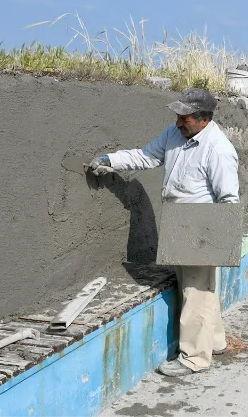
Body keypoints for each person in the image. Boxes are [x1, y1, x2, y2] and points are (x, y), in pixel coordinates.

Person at [86, 88, 238, 377]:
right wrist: (112, 160)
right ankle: (215, 342)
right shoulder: (174, 134)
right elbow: (146, 156)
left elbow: (229, 199)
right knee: (199, 288)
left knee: (196, 291)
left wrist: (217, 245)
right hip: (179, 221)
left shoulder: (218, 149)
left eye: (185, 118)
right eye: (178, 116)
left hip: (201, 225)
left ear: (203, 119)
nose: (179, 122)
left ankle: (194, 358)